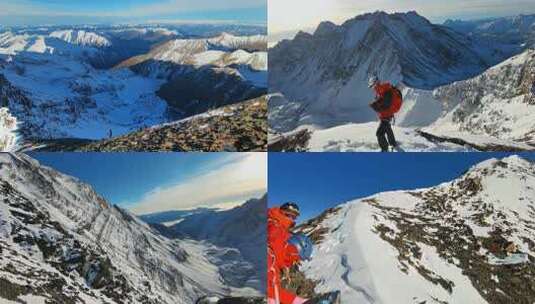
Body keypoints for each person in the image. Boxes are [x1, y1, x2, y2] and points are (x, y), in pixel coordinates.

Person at [268, 202, 307, 304]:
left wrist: (292, 257)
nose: (291, 218)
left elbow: (281, 251)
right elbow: (274, 251)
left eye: (294, 217)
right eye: (288, 215)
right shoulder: (275, 228)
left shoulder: (281, 229)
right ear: (281, 212)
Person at [368, 76, 402, 152]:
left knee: (379, 133)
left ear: (375, 84)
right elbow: (384, 101)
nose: (372, 88)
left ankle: (384, 150)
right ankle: (393, 143)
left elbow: (386, 104)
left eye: (372, 86)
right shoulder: (382, 90)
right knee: (388, 129)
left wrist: (375, 106)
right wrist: (376, 104)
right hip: (387, 114)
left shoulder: (384, 90)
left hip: (386, 115)